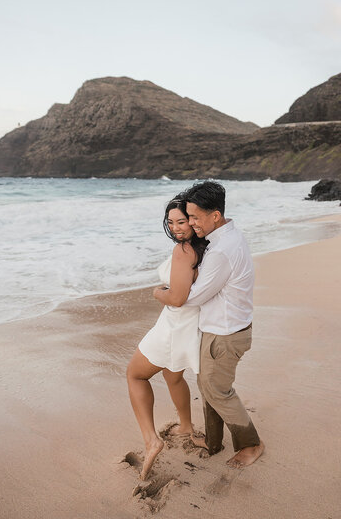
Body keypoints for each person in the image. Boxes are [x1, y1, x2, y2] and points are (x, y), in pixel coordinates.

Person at [154, 181, 264, 468]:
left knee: (217, 389)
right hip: (222, 328)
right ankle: (214, 441)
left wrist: (161, 292)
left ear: (215, 215)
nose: (190, 224)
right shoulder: (226, 237)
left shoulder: (221, 252)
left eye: (194, 217)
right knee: (207, 383)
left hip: (226, 333)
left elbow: (190, 298)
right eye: (187, 217)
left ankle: (251, 443)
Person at [126, 197, 207, 480]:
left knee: (135, 375)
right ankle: (186, 426)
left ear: (193, 220)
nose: (175, 228)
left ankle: (151, 440)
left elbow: (177, 297)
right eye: (170, 222)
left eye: (181, 221)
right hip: (187, 326)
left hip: (172, 327)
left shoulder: (184, 250)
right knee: (173, 378)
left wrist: (158, 293)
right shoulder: (203, 246)